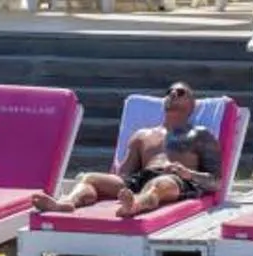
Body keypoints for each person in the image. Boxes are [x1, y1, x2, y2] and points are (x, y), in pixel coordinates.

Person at [34, 82, 222, 218]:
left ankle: (135, 206)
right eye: (169, 92)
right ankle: (67, 203)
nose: (173, 94)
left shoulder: (201, 135)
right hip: (140, 179)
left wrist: (188, 174)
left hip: (176, 180)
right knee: (90, 178)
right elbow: (124, 175)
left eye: (180, 92)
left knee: (159, 184)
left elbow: (216, 182)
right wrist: (108, 181)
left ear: (192, 105)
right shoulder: (142, 135)